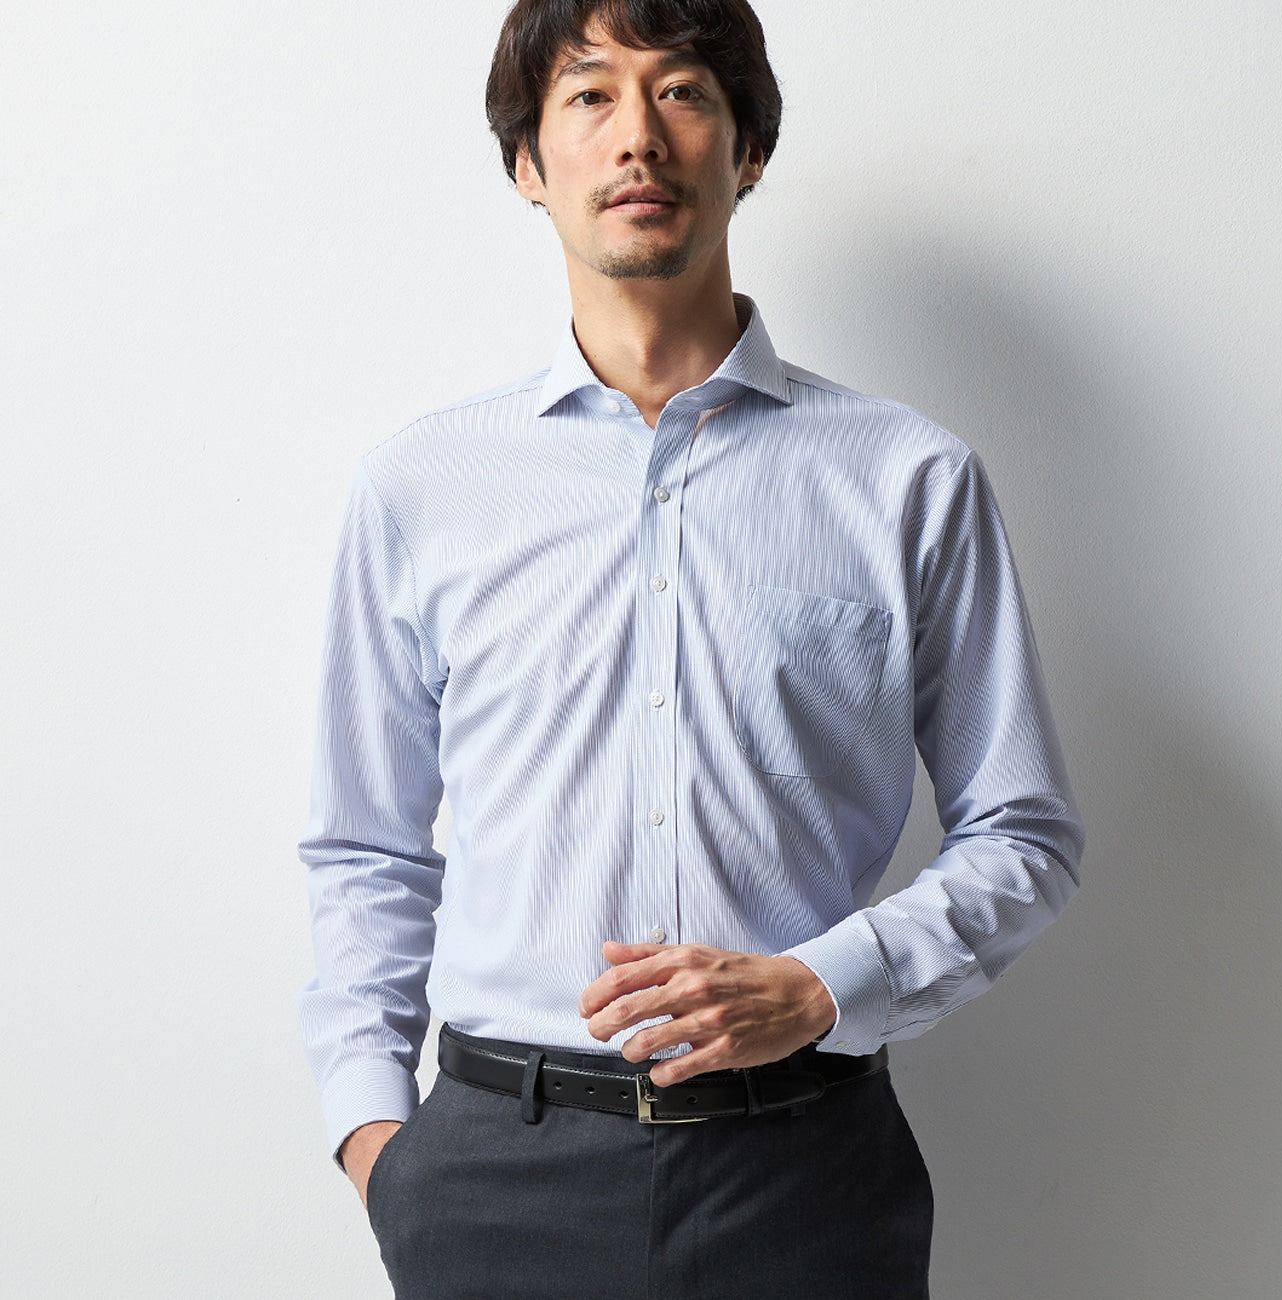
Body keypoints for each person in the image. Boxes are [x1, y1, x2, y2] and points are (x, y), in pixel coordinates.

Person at [298, 1, 1084, 1295]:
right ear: (527, 164)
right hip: (494, 1175)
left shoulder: (907, 478)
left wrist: (824, 986)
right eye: (589, 95)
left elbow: (1025, 829)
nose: (638, 137)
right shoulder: (420, 489)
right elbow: (365, 848)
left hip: (807, 1172)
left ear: (747, 148)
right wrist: (374, 1135)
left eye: (681, 92)